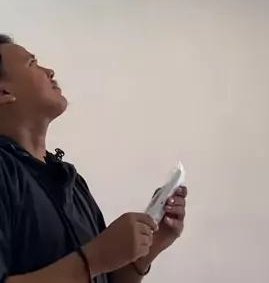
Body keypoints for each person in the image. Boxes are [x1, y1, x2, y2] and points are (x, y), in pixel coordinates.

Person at [0, 35, 187, 283]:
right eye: (32, 63)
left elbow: (104, 277)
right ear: (3, 92)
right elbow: (93, 264)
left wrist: (146, 250)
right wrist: (93, 258)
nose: (49, 71)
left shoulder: (71, 181)